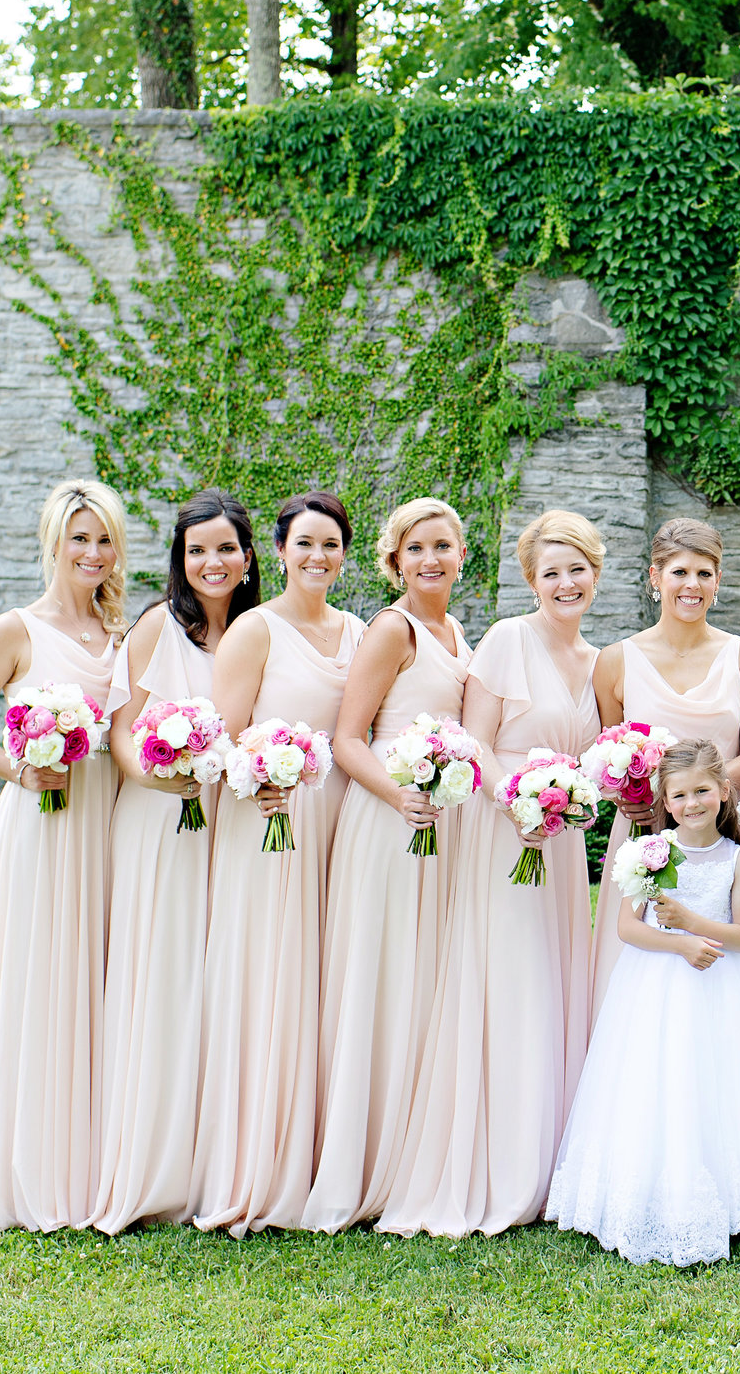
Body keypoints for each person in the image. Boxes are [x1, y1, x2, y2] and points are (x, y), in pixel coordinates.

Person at [384, 509, 605, 1237]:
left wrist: (570, 804)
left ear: (596, 573)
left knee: (555, 985)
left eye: (576, 568)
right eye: (550, 572)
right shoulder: (509, 640)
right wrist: (518, 805)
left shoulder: (598, 661)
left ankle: (548, 1165)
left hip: (562, 838)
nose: (564, 582)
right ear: (530, 580)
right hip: (504, 829)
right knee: (510, 986)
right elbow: (472, 746)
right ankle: (497, 1167)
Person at [0, 479, 128, 1231]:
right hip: (42, 827)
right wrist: (21, 766)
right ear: (52, 541)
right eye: (79, 537)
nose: (92, 552)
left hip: (105, 820)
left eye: (104, 538)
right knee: (39, 982)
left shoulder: (118, 634)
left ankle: (94, 1166)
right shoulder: (14, 630)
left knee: (97, 984)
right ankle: (22, 1169)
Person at [194, 490, 361, 1236]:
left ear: (345, 554)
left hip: (336, 827)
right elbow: (218, 739)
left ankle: (321, 1151)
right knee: (270, 982)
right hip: (269, 822)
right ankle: (255, 1164)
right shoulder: (256, 632)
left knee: (323, 988)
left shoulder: (359, 632)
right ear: (278, 553)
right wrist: (258, 775)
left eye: (330, 545)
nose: (317, 557)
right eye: (304, 545)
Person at [305, 497, 474, 1232]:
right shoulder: (391, 628)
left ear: (461, 554)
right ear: (395, 560)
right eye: (416, 548)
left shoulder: (455, 630)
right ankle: (361, 1160)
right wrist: (402, 795)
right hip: (388, 822)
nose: (430, 558)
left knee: (423, 982)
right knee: (382, 981)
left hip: (437, 826)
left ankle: (413, 1151)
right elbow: (348, 737)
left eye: (442, 545)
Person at [94, 489, 258, 1233]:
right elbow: (123, 735)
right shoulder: (160, 626)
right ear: (179, 559)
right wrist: (165, 776)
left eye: (225, 548)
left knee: (218, 980)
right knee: (162, 977)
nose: (211, 562)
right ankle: (152, 1162)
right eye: (197, 550)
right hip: (163, 818)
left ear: (249, 556)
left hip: (233, 820)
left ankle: (215, 1159)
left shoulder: (260, 632)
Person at [548, 739, 740, 1264]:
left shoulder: (738, 860)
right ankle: (647, 1193)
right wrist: (680, 944)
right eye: (680, 795)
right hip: (655, 986)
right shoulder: (649, 854)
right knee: (657, 1079)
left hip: (721, 988)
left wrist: (694, 925)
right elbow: (627, 928)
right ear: (664, 803)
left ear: (723, 791)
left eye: (702, 791)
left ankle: (731, 1200)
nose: (692, 804)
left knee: (715, 1083)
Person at [589, 518, 740, 1009]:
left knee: (727, 961)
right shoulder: (615, 660)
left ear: (718, 580)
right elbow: (610, 757)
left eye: (705, 573)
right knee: (640, 969)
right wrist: (640, 799)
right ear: (655, 577)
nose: (692, 585)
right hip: (647, 833)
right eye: (679, 572)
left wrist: (694, 795)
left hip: (721, 829)